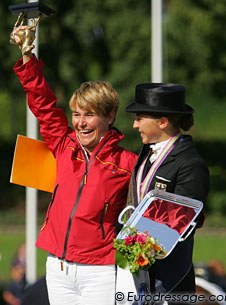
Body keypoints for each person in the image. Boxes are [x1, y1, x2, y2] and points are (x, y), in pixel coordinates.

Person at [10, 25, 137, 305]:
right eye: (76, 114)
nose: (80, 122)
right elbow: (43, 105)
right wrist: (27, 57)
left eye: (89, 114)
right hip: (57, 267)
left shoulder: (129, 163)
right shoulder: (64, 143)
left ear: (110, 116)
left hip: (101, 271)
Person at [124, 83, 210, 303]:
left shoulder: (190, 163)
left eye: (140, 118)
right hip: (137, 270)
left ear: (162, 122)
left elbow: (185, 220)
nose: (134, 125)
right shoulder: (145, 153)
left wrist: (139, 245)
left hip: (169, 278)